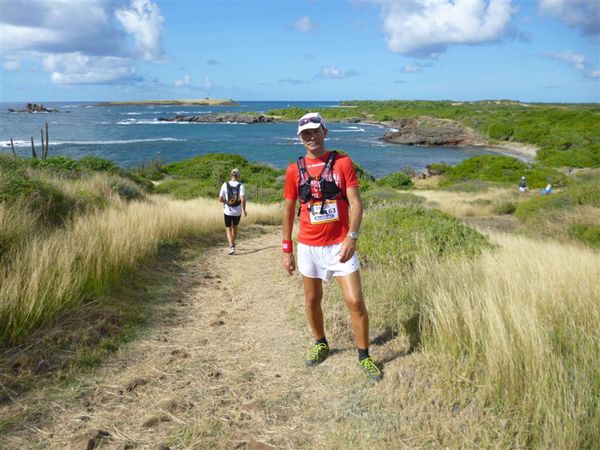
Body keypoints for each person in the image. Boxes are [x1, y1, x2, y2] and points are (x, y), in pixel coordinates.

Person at [281, 112, 382, 382]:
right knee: (312, 300)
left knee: (355, 301)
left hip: (340, 246)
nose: (311, 137)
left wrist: (352, 236)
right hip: (309, 246)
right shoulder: (294, 170)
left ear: (325, 132)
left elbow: (356, 203)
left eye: (315, 131)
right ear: (300, 138)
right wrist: (286, 248)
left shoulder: (343, 163)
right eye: (305, 134)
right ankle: (321, 343)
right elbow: (289, 210)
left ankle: (364, 356)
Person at [219, 168, 246, 255]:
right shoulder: (241, 185)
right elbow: (242, 199)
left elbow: (220, 199)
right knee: (235, 227)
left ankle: (231, 246)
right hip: (237, 211)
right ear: (238, 176)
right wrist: (244, 210)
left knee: (228, 229)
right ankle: (232, 244)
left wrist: (226, 202)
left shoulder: (225, 184)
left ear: (231, 175)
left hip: (227, 210)